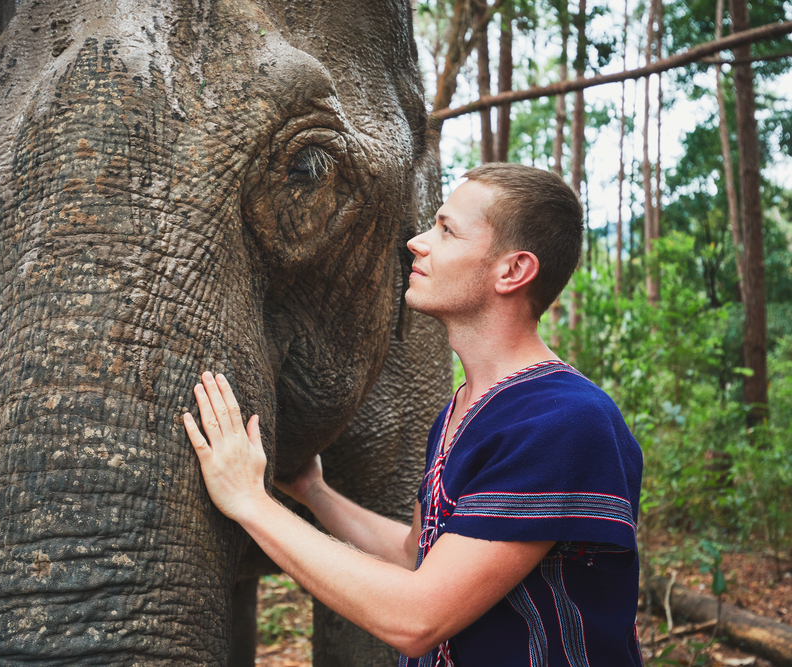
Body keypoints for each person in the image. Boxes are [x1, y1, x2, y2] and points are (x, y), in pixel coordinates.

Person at [182, 163, 644, 666]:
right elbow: (414, 556)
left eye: (446, 231)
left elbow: (418, 616)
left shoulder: (563, 422)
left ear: (512, 271)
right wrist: (313, 492)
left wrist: (250, 501)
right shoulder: (463, 410)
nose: (417, 243)